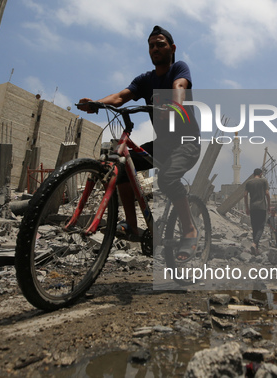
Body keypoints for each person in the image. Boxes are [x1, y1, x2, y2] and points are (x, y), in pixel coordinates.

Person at [77, 25, 201, 261]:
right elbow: (120, 97)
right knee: (121, 168)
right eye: (151, 45)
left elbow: (180, 87)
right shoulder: (145, 79)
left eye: (160, 44)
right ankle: (133, 226)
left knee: (167, 179)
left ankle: (189, 229)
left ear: (172, 48)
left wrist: (174, 105)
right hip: (163, 144)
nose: (155, 48)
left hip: (187, 143)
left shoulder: (179, 68)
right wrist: (96, 103)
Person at [244, 168, 270, 253]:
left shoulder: (249, 182)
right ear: (261, 174)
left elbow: (245, 195)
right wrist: (269, 205)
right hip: (261, 207)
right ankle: (254, 244)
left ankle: (256, 249)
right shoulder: (263, 181)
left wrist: (247, 207)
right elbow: (267, 193)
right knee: (261, 227)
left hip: (253, 207)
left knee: (254, 227)